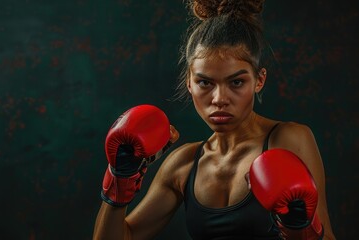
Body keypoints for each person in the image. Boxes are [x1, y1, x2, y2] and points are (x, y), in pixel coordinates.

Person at [93, 0, 336, 239]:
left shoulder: (288, 140)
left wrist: (300, 227)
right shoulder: (183, 164)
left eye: (236, 82)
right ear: (189, 82)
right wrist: (119, 179)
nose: (219, 99)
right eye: (205, 83)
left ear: (259, 80)